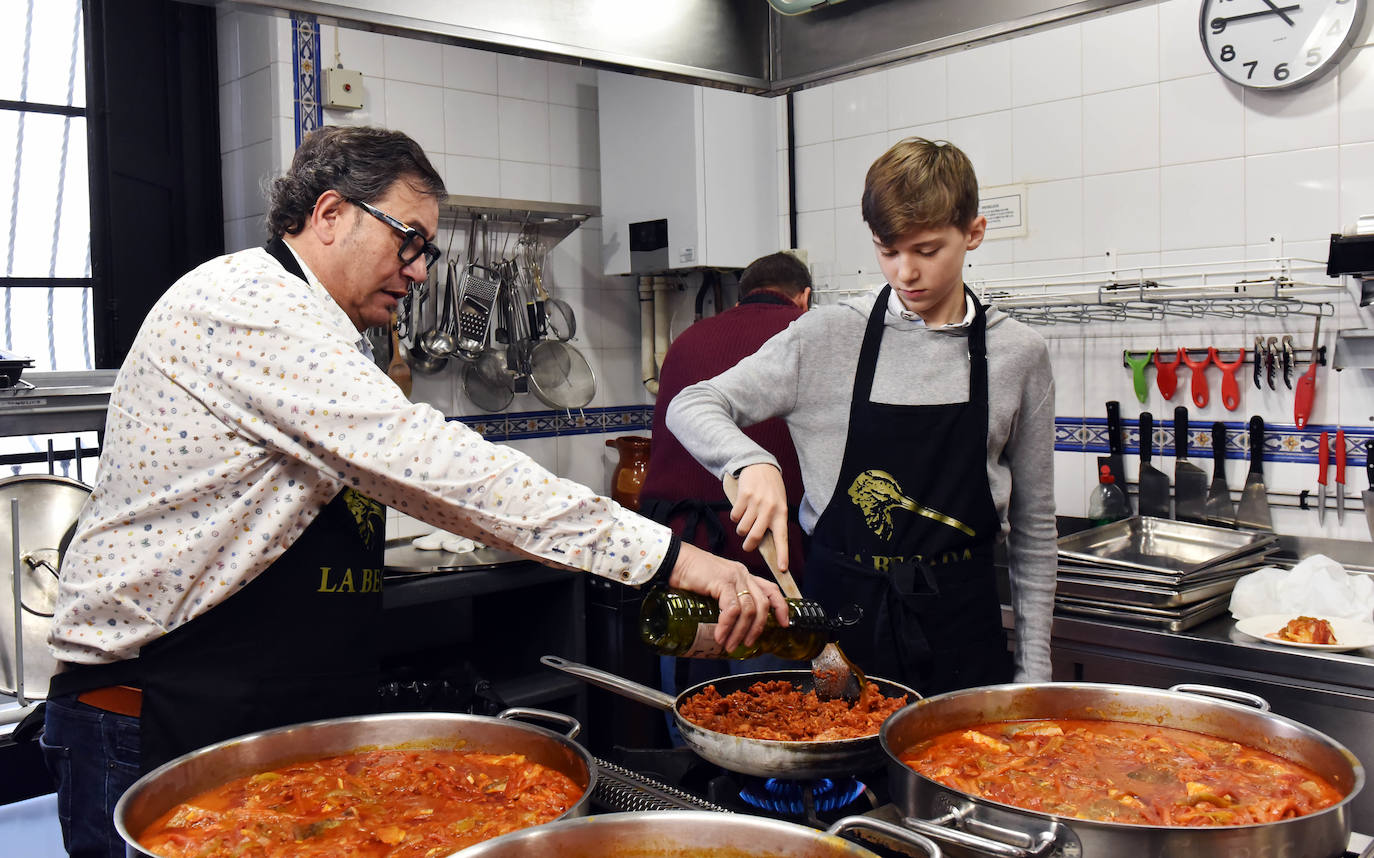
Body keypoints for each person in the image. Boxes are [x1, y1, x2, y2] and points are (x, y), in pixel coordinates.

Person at [39, 125, 787, 858]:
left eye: (426, 249)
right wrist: (676, 560)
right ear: (330, 214)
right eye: (410, 241)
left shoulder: (317, 327)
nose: (421, 269)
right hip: (151, 719)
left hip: (246, 714)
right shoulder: (248, 306)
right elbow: (436, 466)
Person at [666, 137, 1057, 696]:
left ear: (973, 232)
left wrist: (1036, 676)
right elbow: (692, 402)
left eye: (926, 250)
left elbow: (1036, 530)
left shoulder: (1018, 353)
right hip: (839, 634)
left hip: (962, 632)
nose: (905, 273)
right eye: (887, 250)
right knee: (844, 784)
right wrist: (749, 461)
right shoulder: (827, 336)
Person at [638, 252, 812, 701]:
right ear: (804, 298)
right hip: (767, 564)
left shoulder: (687, 340)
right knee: (771, 712)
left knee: (691, 708)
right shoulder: (803, 337)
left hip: (683, 557)